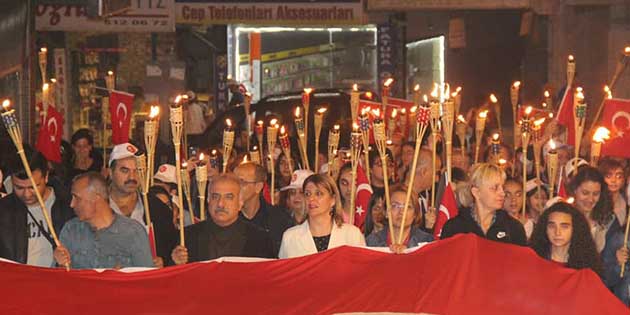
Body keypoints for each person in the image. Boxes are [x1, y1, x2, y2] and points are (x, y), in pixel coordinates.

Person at [53, 172, 153, 269]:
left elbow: (146, 279)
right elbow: (61, 280)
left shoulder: (133, 232)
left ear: (96, 198)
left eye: (77, 198)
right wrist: (60, 263)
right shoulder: (71, 230)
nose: (72, 204)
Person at [170, 174, 275, 264]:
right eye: (215, 197)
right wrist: (175, 262)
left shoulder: (260, 239)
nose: (220, 204)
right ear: (208, 200)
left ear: (240, 202)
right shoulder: (187, 237)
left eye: (229, 197)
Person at [0, 149, 74, 267]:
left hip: (57, 280)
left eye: (33, 187)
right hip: (19, 280)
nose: (27, 194)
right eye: (19, 188)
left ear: (46, 177)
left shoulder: (68, 205)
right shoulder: (4, 210)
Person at [279, 174, 365, 259]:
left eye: (318, 193)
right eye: (307, 194)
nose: (311, 199)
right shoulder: (290, 237)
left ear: (333, 200)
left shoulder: (352, 235)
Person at [441, 163, 527, 246]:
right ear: (476, 192)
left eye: (502, 188)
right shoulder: (455, 227)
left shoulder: (513, 228)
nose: (502, 193)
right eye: (495, 188)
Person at [234, 162, 293, 255]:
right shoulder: (226, 218)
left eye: (242, 182)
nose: (235, 187)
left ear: (258, 187)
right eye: (233, 182)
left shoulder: (279, 219)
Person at [529, 202, 603, 276]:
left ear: (575, 229)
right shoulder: (532, 260)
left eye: (564, 227)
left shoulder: (587, 266)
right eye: (552, 226)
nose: (557, 232)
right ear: (545, 228)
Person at [568, 166, 618, 253]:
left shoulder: (608, 220)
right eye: (585, 193)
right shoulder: (564, 215)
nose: (590, 199)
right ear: (575, 190)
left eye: (595, 194)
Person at [366, 188, 433, 252]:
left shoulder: (426, 242)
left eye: (408, 207)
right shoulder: (372, 242)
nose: (401, 212)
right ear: (386, 212)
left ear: (415, 214)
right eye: (395, 206)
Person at [598, 158, 627, 227]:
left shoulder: (626, 201)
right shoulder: (596, 199)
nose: (613, 180)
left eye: (619, 176)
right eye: (608, 176)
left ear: (623, 180)